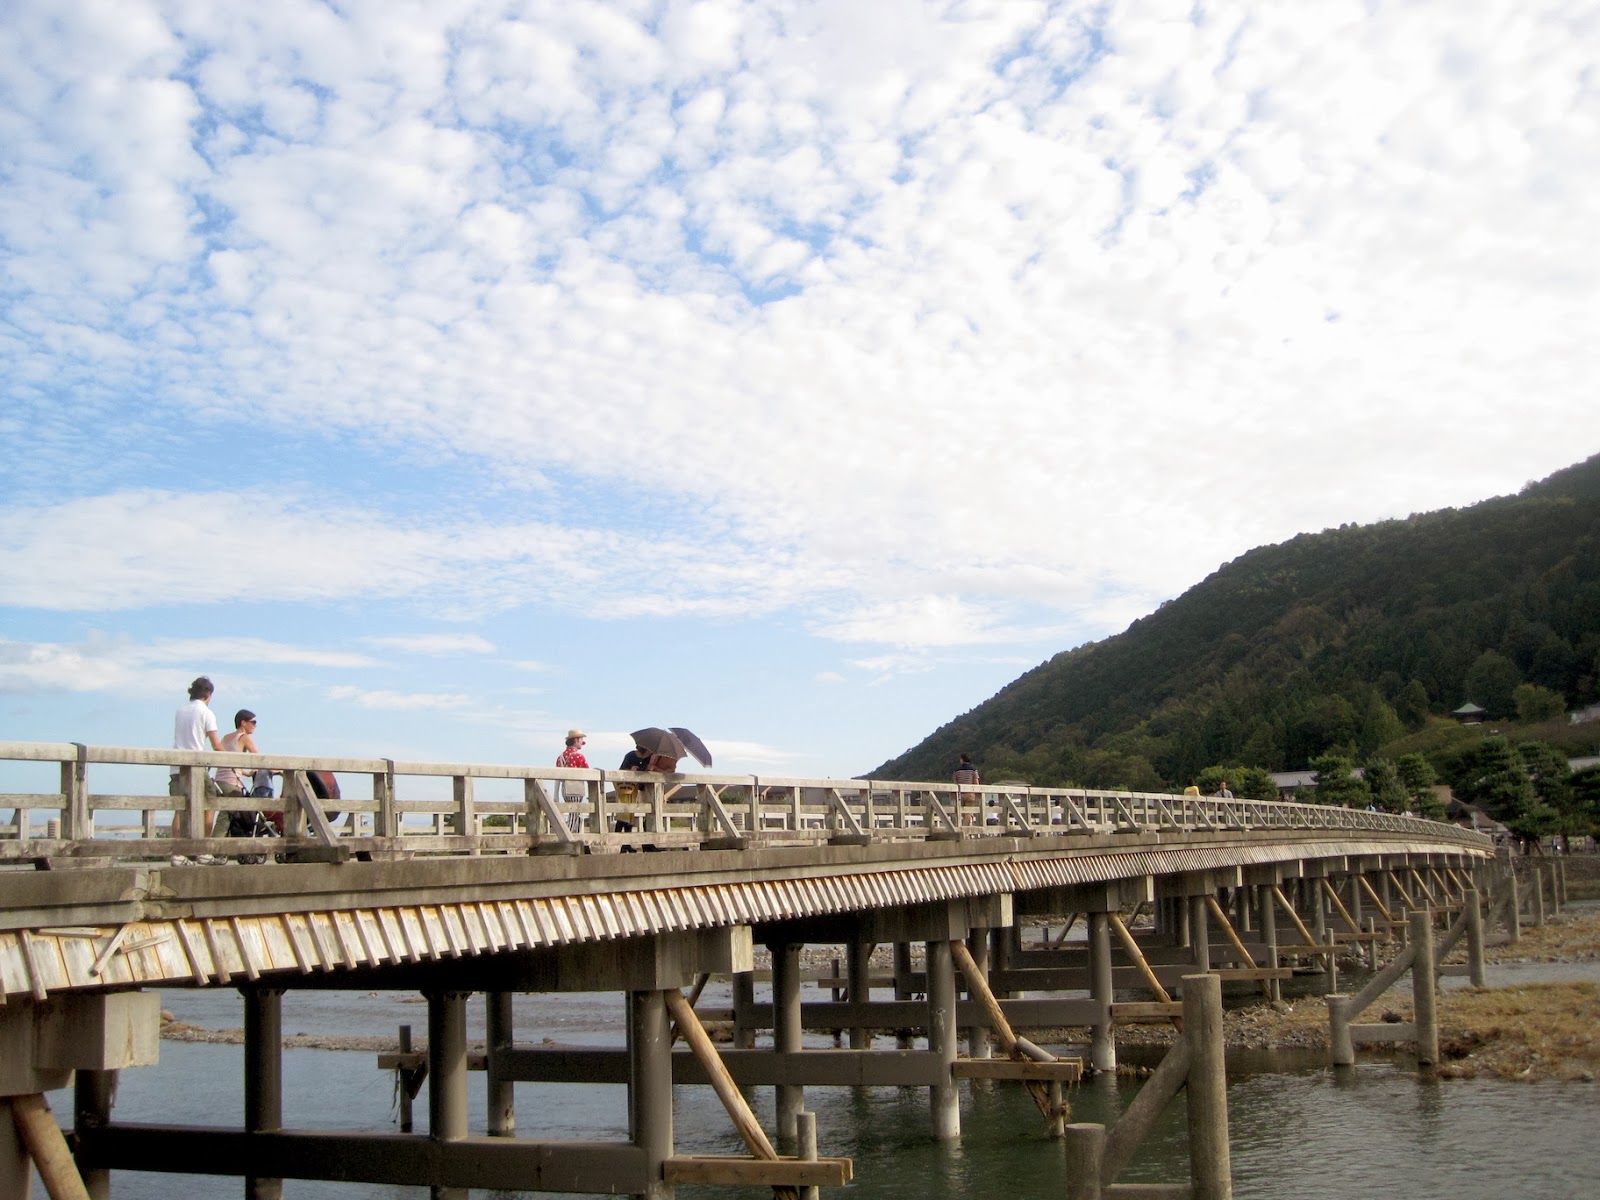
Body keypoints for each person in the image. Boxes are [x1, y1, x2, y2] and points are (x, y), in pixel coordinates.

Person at [170, 676, 225, 845]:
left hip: (176, 766)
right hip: (196, 768)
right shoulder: (206, 712)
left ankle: (177, 851)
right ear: (208, 694)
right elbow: (216, 745)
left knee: (180, 809)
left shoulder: (180, 711)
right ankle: (203, 847)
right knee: (210, 803)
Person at [952, 753, 980, 825]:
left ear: (962, 759)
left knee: (961, 812)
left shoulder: (956, 771)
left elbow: (955, 783)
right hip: (970, 794)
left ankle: (962, 826)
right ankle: (964, 828)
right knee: (968, 812)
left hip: (960, 794)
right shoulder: (973, 770)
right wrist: (977, 794)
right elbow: (976, 783)